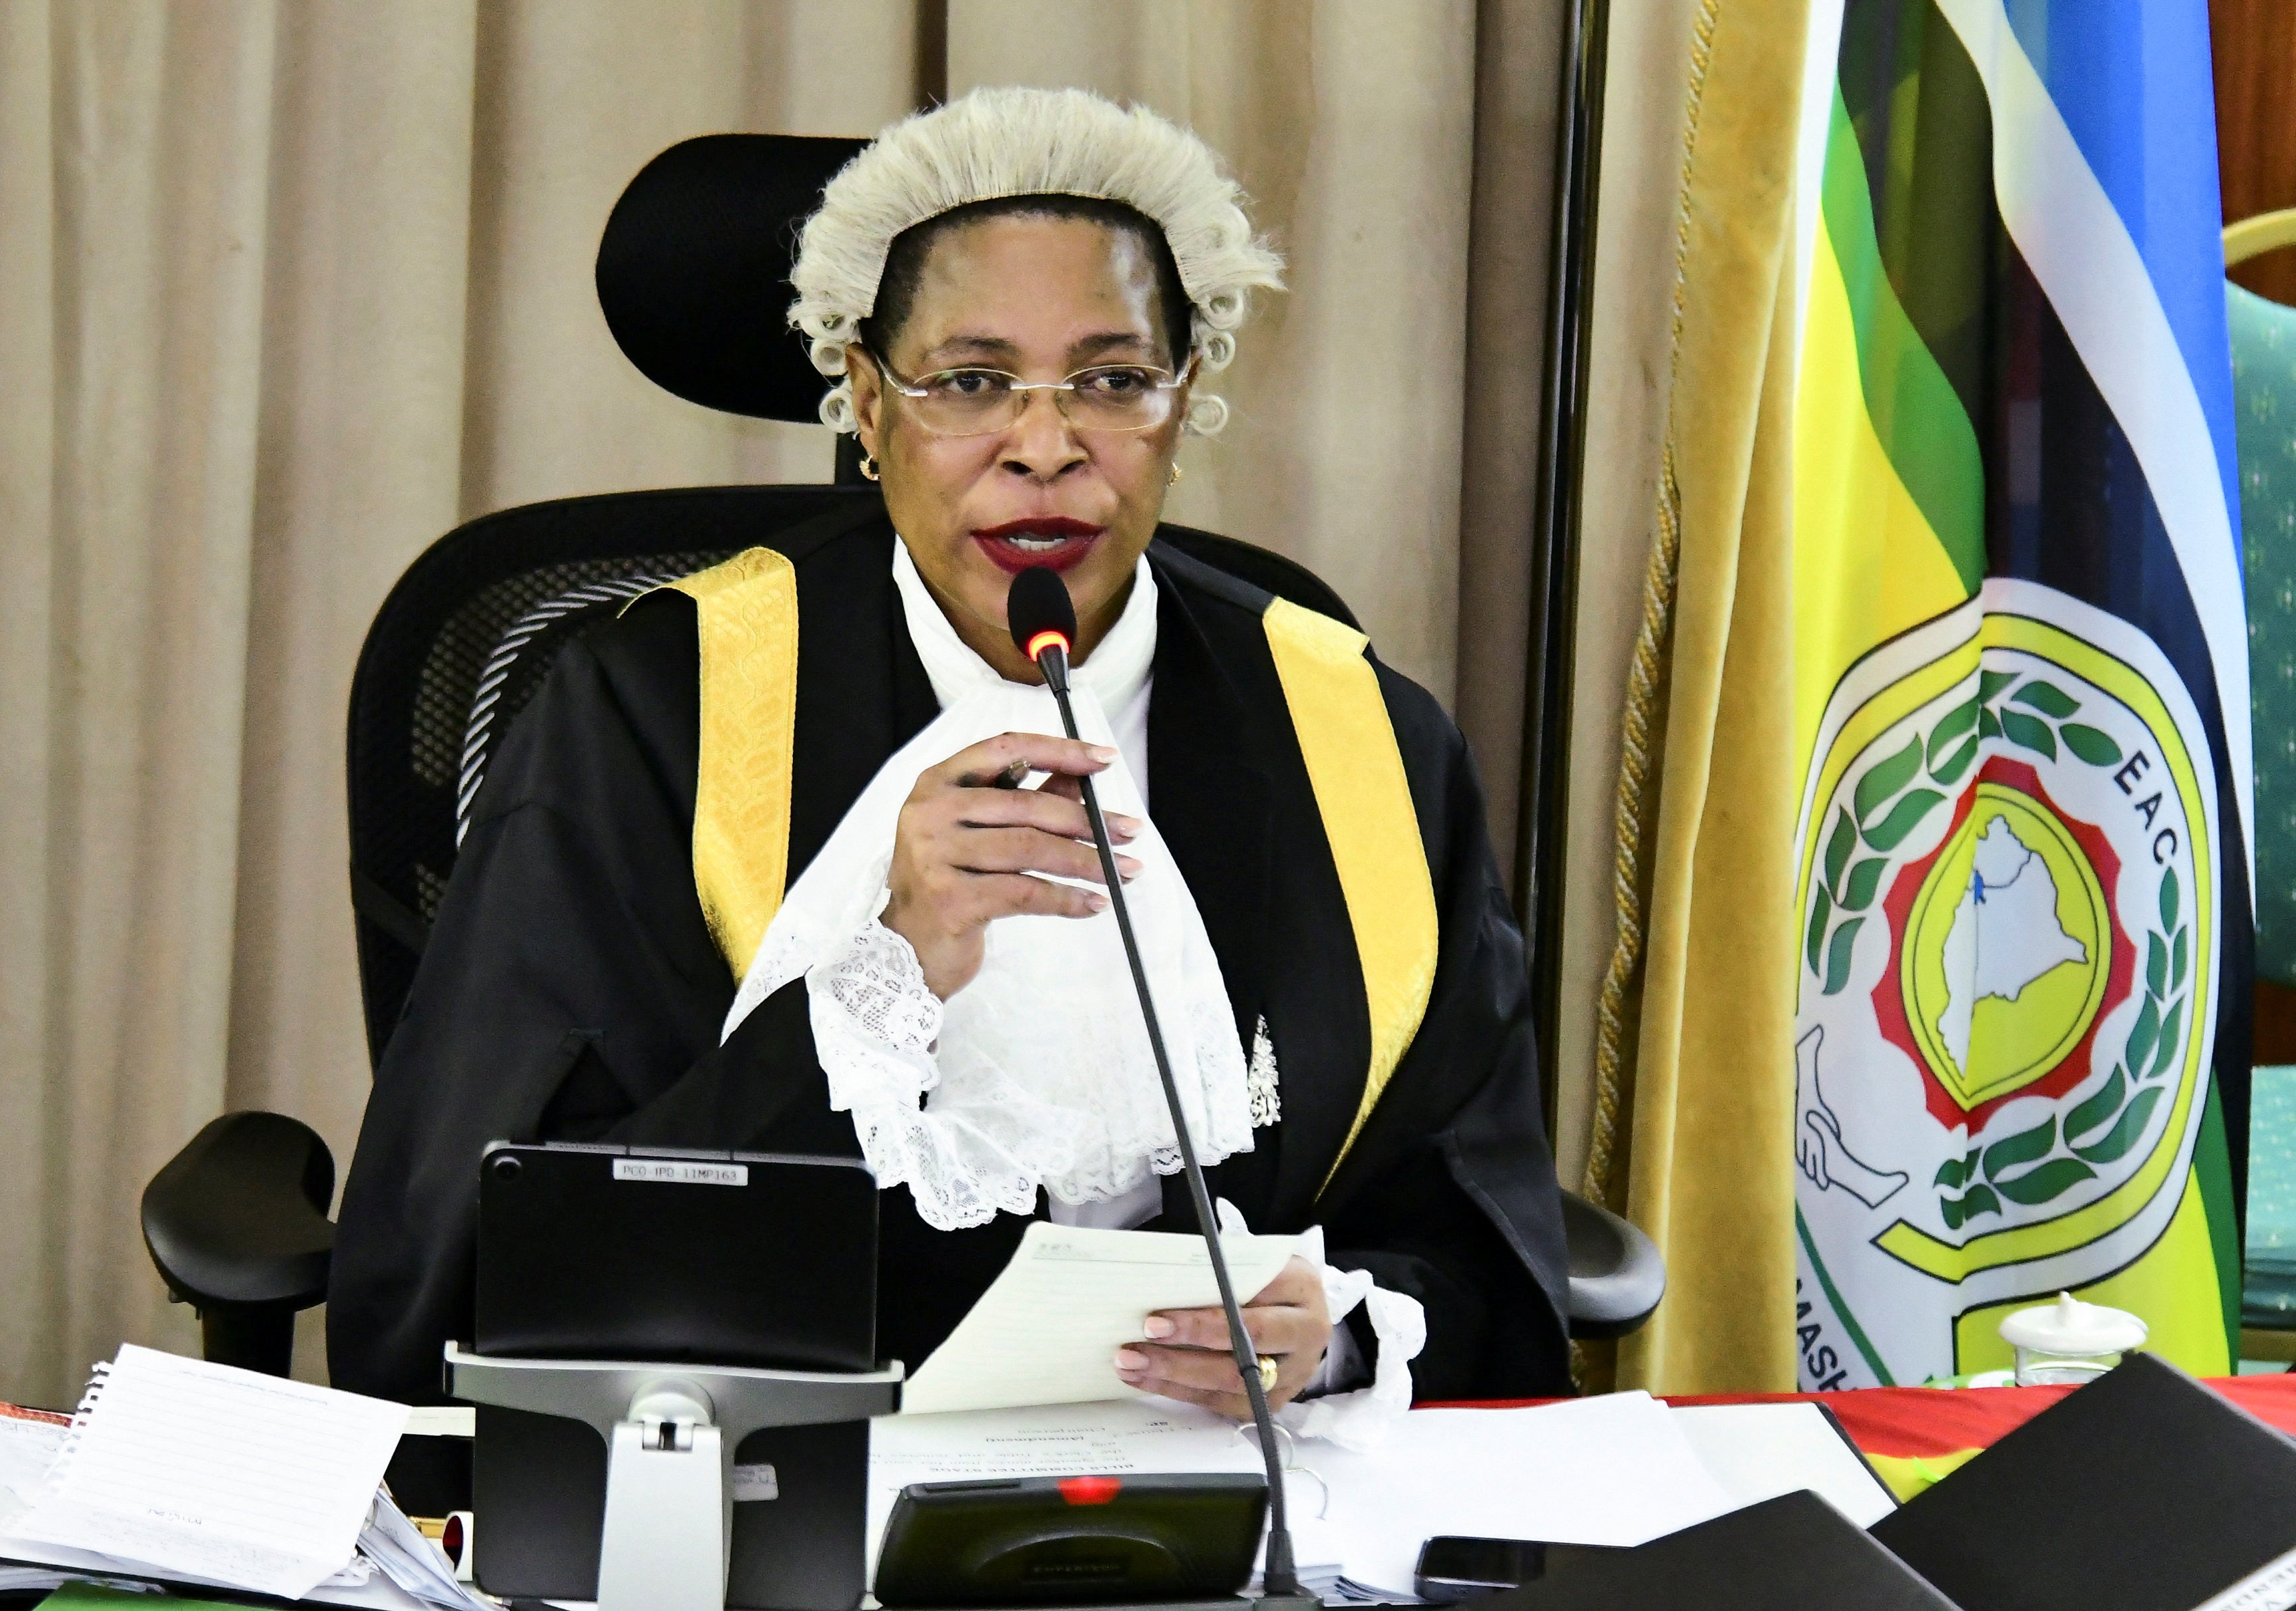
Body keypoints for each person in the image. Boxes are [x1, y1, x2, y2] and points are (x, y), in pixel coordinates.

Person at [327, 86, 1570, 1421]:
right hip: (773, 1472)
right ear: (867, 403)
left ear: (1181, 400)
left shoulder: (1364, 740)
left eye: (1110, 382)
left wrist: (1337, 1338)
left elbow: (1483, 1248)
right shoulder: (648, 709)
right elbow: (482, 1257)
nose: (1043, 449)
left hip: (1213, 1491)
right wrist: (883, 972)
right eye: (970, 384)